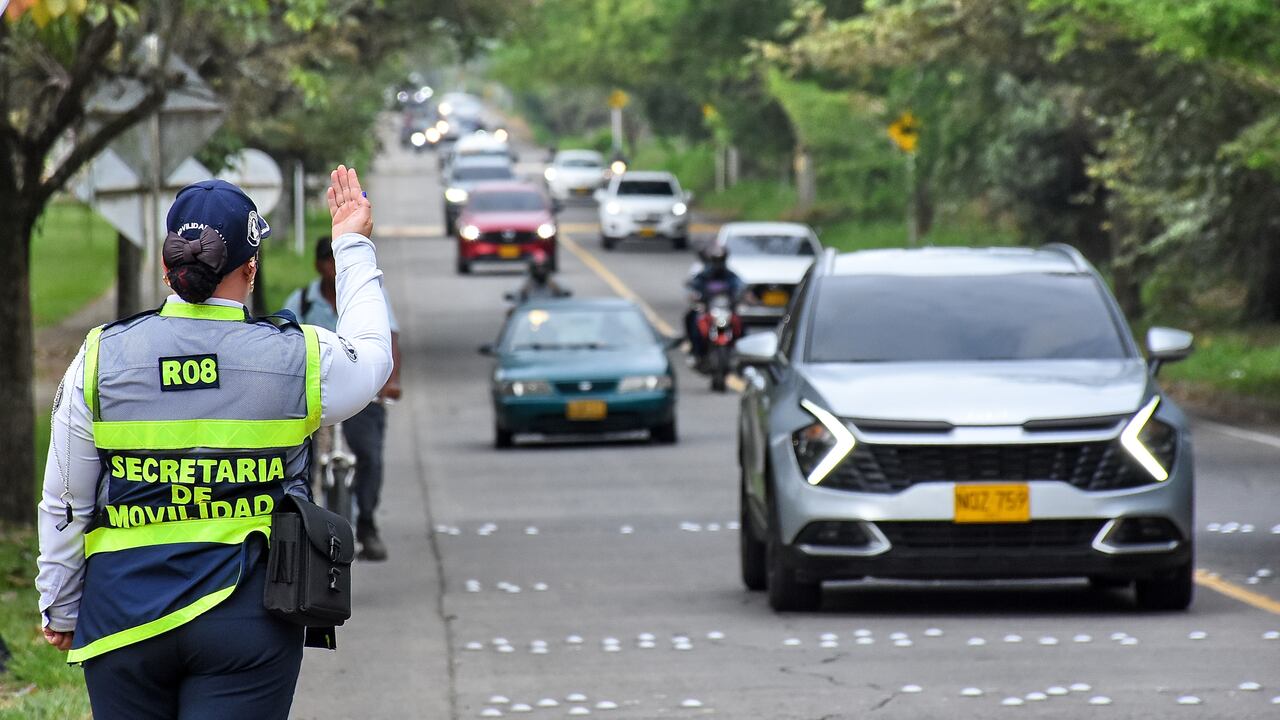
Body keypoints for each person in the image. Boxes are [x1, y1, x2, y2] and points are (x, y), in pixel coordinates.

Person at [35, 167, 391, 720]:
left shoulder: (100, 357)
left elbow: (65, 498)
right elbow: (372, 355)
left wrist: (59, 602)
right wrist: (351, 244)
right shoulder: (299, 359)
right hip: (247, 619)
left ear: (166, 266)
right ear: (250, 270)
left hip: (122, 617)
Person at [282, 235, 402, 561]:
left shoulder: (367, 296)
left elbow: (388, 337)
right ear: (319, 265)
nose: (335, 269)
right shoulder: (303, 300)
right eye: (329, 261)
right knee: (298, 462)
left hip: (362, 390)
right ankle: (302, 526)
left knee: (369, 455)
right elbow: (283, 341)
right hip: (315, 395)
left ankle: (366, 524)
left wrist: (390, 382)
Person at [684, 245, 744, 360]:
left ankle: (743, 352)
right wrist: (694, 295)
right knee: (691, 318)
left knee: (742, 324)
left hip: (727, 309)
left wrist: (743, 296)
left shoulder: (730, 276)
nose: (718, 263)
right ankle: (695, 350)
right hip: (708, 309)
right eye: (716, 260)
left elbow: (740, 286)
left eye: (720, 260)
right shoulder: (704, 275)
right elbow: (693, 285)